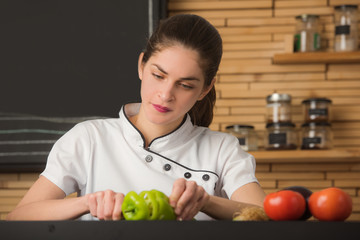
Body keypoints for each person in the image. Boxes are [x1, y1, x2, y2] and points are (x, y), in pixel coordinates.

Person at [7, 14, 266, 221]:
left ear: (205, 89)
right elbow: (18, 217)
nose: (165, 95)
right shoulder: (89, 138)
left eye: (185, 85)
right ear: (142, 65)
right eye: (158, 75)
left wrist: (206, 201)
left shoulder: (222, 149)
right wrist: (88, 203)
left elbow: (264, 216)